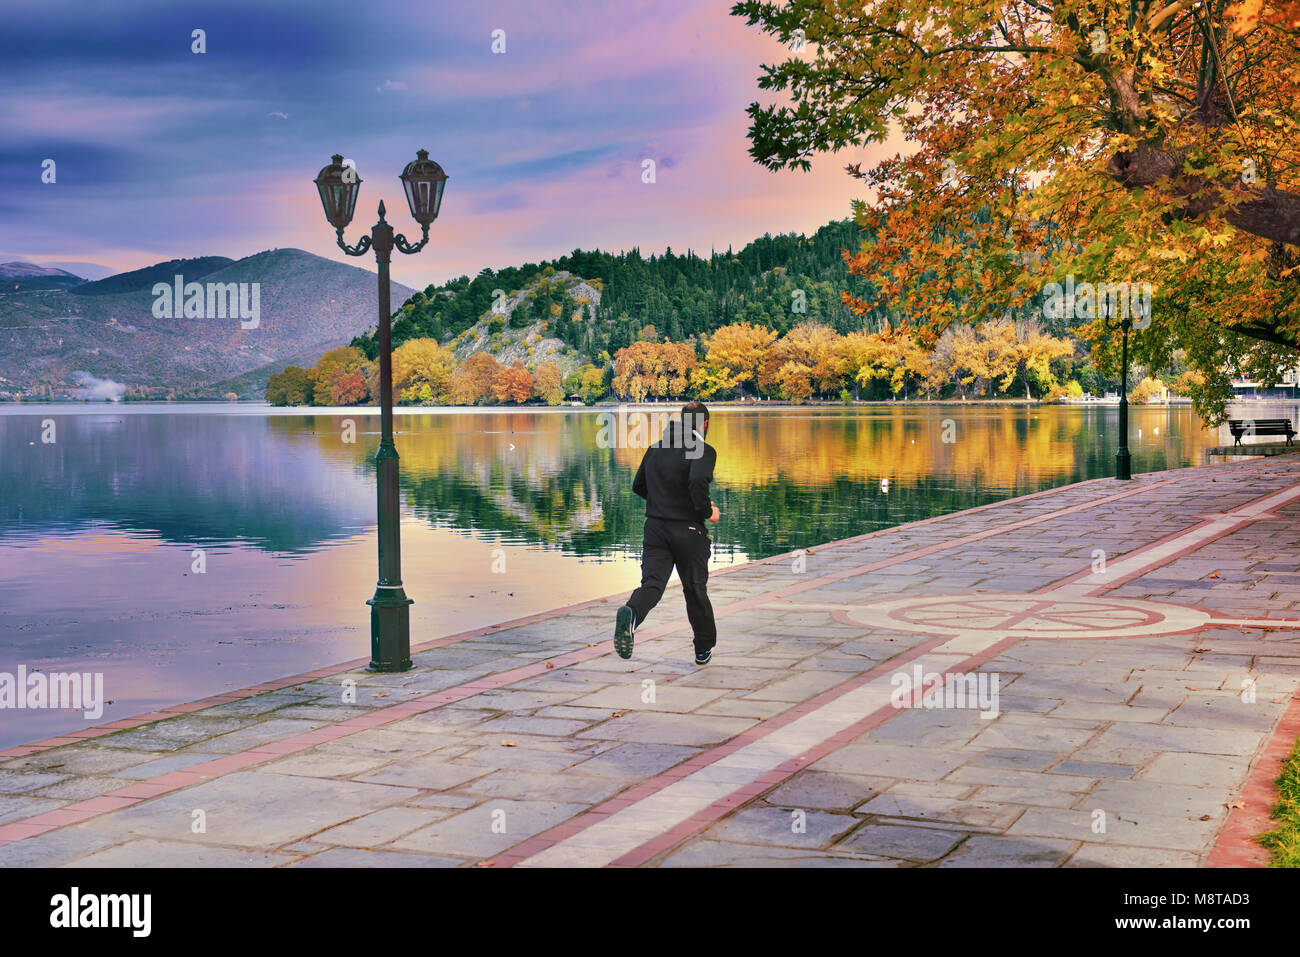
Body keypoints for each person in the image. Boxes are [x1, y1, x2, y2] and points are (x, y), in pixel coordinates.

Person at [614, 401, 720, 664]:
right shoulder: (703, 450)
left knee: (652, 584)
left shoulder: (655, 449)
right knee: (695, 588)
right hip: (688, 530)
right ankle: (702, 648)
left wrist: (663, 502)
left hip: (655, 529)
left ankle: (631, 613)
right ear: (704, 425)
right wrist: (707, 512)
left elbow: (639, 485)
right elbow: (696, 481)